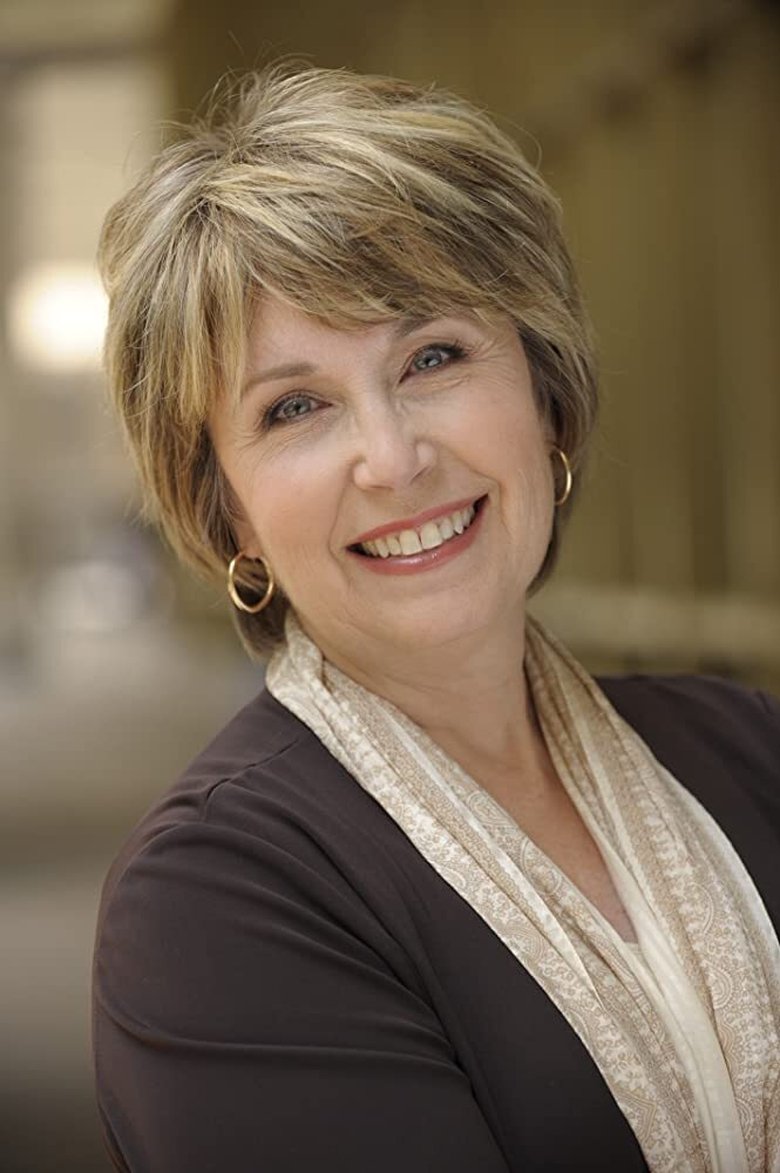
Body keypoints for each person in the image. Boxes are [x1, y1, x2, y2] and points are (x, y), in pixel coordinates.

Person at [92, 65, 780, 1173]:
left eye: (434, 357)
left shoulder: (746, 747)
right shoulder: (215, 902)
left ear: (544, 399)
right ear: (229, 511)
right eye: (296, 407)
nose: (394, 456)